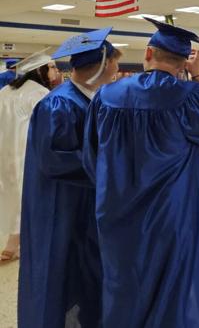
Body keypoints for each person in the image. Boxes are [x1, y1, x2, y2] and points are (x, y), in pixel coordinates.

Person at [83, 18, 199, 327]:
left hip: (117, 213)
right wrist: (197, 78)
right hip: (173, 215)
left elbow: (91, 156)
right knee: (175, 288)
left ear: (148, 53)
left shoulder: (107, 96)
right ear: (182, 64)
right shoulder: (188, 96)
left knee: (125, 285)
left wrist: (110, 193)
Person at [18, 28, 121, 327]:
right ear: (103, 63)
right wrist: (112, 165)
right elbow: (54, 160)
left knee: (87, 276)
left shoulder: (90, 100)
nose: (116, 68)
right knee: (60, 275)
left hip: (86, 206)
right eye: (114, 61)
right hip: (61, 208)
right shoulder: (58, 104)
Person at [0, 50, 57, 263]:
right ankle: (27, 246)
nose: (55, 71)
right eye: (51, 67)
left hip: (5, 152)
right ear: (40, 70)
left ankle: (12, 244)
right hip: (28, 154)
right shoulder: (41, 93)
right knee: (29, 200)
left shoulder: (5, 91)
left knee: (12, 198)